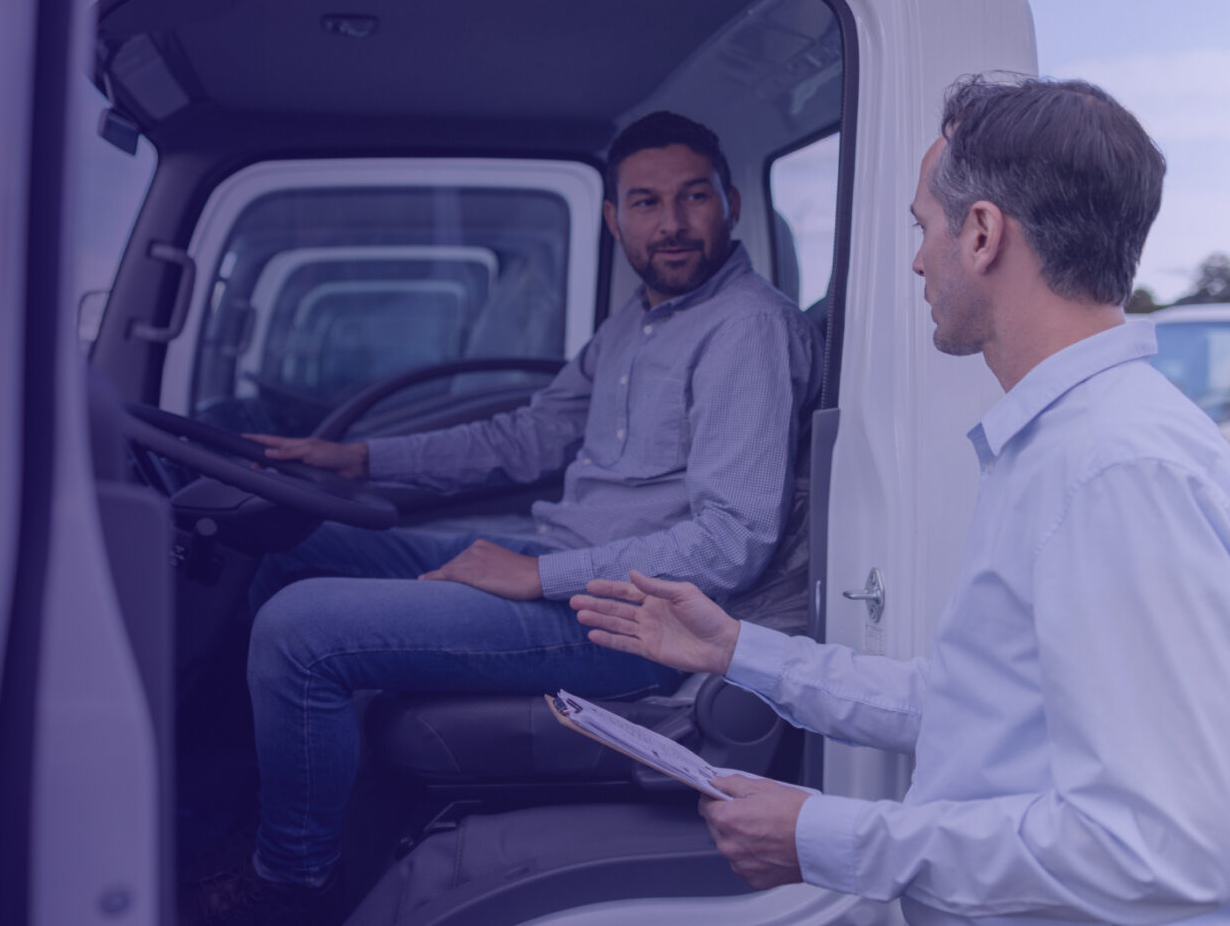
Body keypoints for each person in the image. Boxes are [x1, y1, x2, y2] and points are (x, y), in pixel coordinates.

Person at [574, 76, 1230, 924]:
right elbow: (965, 703)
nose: (919, 258)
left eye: (925, 226)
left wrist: (830, 834)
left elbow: (1166, 850)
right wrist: (738, 650)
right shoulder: (1066, 443)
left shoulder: (1111, 468)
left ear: (983, 233)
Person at [193, 111, 822, 924]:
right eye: (645, 202)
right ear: (613, 219)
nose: (671, 223)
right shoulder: (643, 317)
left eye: (693, 196)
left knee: (296, 628)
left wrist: (536, 576)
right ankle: (259, 807)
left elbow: (730, 540)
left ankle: (291, 886)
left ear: (731, 202)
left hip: (628, 620)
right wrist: (363, 460)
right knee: (286, 545)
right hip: (567, 561)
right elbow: (530, 435)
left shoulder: (747, 329)